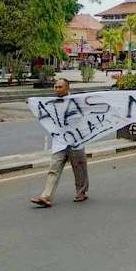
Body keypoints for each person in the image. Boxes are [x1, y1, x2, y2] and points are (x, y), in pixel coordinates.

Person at [30, 79, 89, 207]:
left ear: (67, 88)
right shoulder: (52, 103)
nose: (57, 89)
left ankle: (81, 192)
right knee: (53, 169)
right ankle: (46, 197)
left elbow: (83, 118)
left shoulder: (76, 102)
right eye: (56, 87)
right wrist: (32, 104)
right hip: (60, 142)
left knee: (79, 169)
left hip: (75, 141)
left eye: (60, 87)